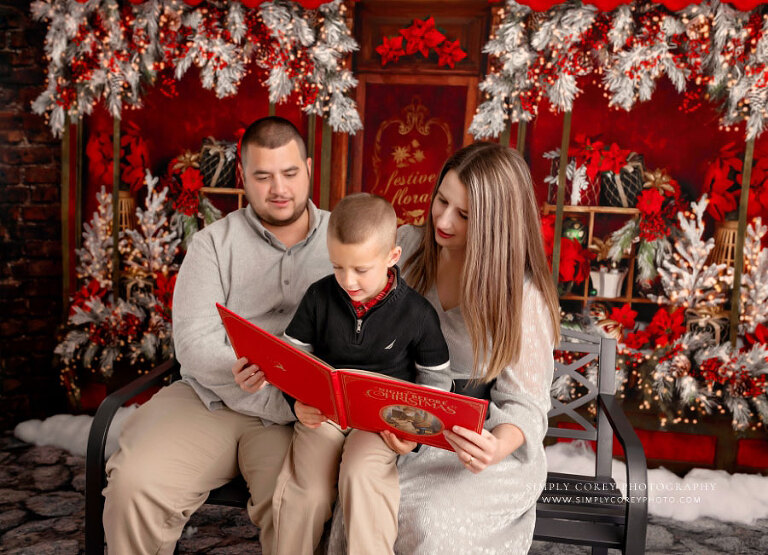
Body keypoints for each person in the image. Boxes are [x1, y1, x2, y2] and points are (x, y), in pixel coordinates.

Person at [102, 116, 332, 555]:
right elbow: (194, 342)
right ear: (244, 177)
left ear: (307, 169)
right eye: (263, 176)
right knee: (135, 484)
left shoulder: (343, 241)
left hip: (298, 417)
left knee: (300, 507)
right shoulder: (212, 244)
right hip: (211, 399)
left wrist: (292, 398)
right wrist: (244, 371)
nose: (278, 188)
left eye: (289, 173)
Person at [328, 142, 560, 554]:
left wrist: (495, 447)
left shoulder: (523, 295)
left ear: (497, 224)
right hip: (401, 424)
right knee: (367, 500)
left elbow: (526, 404)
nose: (444, 219)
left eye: (465, 214)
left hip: (479, 445)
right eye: (442, 200)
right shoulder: (406, 247)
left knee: (429, 521)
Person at [268, 193, 451, 555]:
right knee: (307, 490)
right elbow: (290, 358)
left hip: (381, 423)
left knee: (362, 475)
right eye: (338, 266)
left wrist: (414, 433)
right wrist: (295, 401)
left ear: (391, 257)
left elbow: (436, 382)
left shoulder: (417, 313)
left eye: (361, 269)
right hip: (323, 413)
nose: (347, 281)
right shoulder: (320, 297)